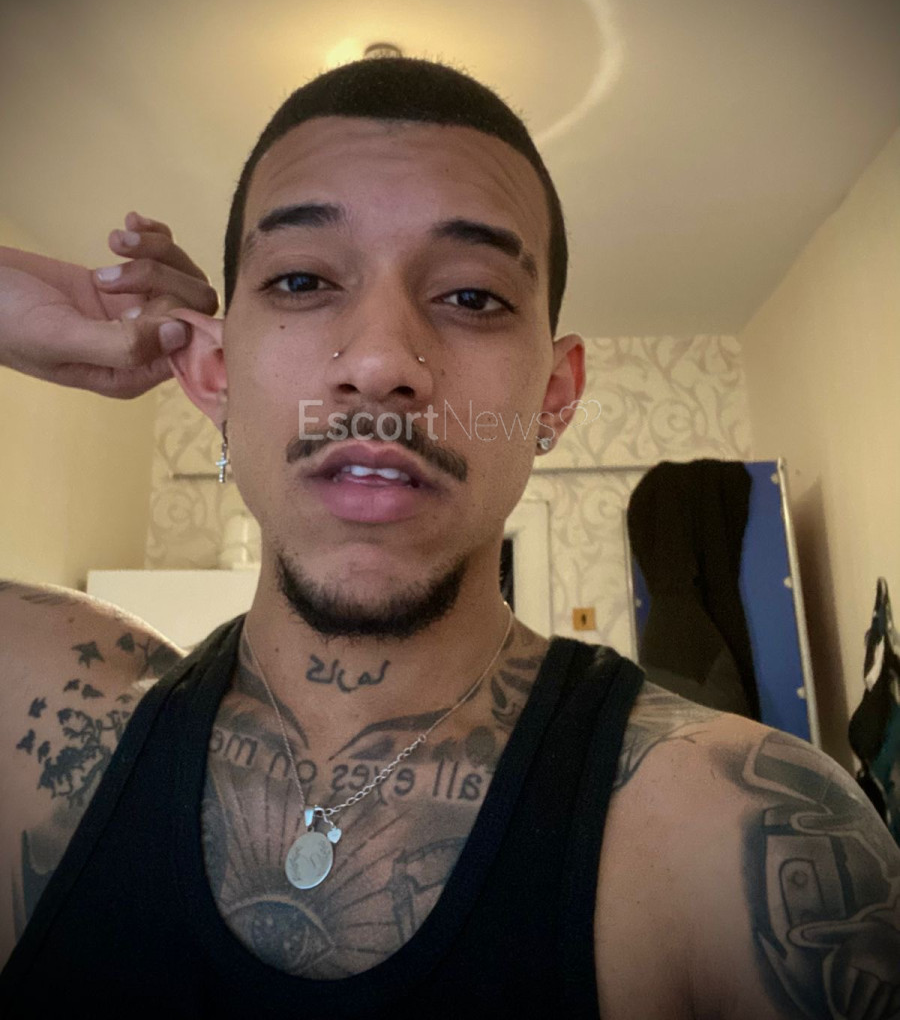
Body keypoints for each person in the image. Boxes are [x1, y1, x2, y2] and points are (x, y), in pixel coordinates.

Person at [0, 57, 897, 1019]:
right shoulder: (34, 714)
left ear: (554, 395)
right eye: (301, 279)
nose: (382, 362)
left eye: (472, 297)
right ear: (213, 370)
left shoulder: (750, 836)